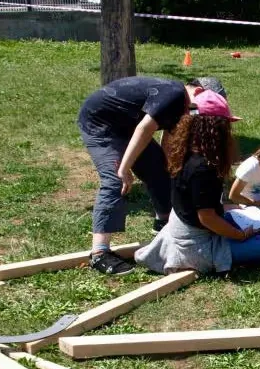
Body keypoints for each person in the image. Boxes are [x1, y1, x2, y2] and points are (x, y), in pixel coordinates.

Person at [78, 76, 210, 275]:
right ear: (199, 92)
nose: (201, 112)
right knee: (115, 180)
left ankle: (164, 222)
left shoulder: (182, 105)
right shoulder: (175, 93)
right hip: (101, 123)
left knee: (159, 169)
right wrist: (124, 168)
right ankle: (99, 253)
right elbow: (144, 128)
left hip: (128, 125)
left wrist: (171, 166)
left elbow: (167, 136)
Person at [135, 91, 260, 275]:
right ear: (215, 128)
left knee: (252, 228)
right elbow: (207, 217)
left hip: (185, 228)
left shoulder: (185, 153)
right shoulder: (203, 167)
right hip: (195, 244)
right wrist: (241, 236)